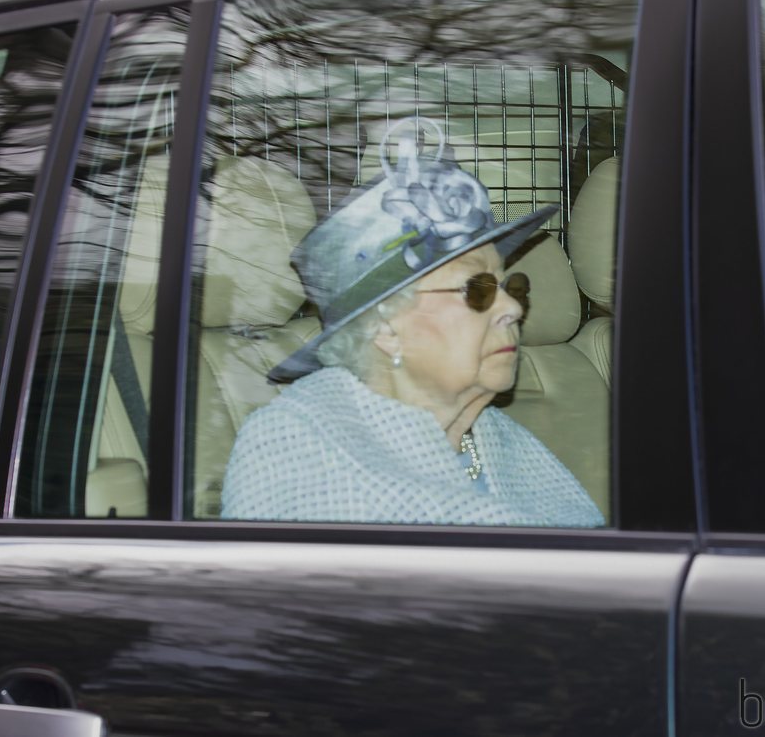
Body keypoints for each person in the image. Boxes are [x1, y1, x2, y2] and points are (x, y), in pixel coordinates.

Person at [221, 119, 604, 527]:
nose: (512, 307)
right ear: (385, 327)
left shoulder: (500, 439)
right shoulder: (298, 448)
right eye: (477, 289)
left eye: (513, 286)